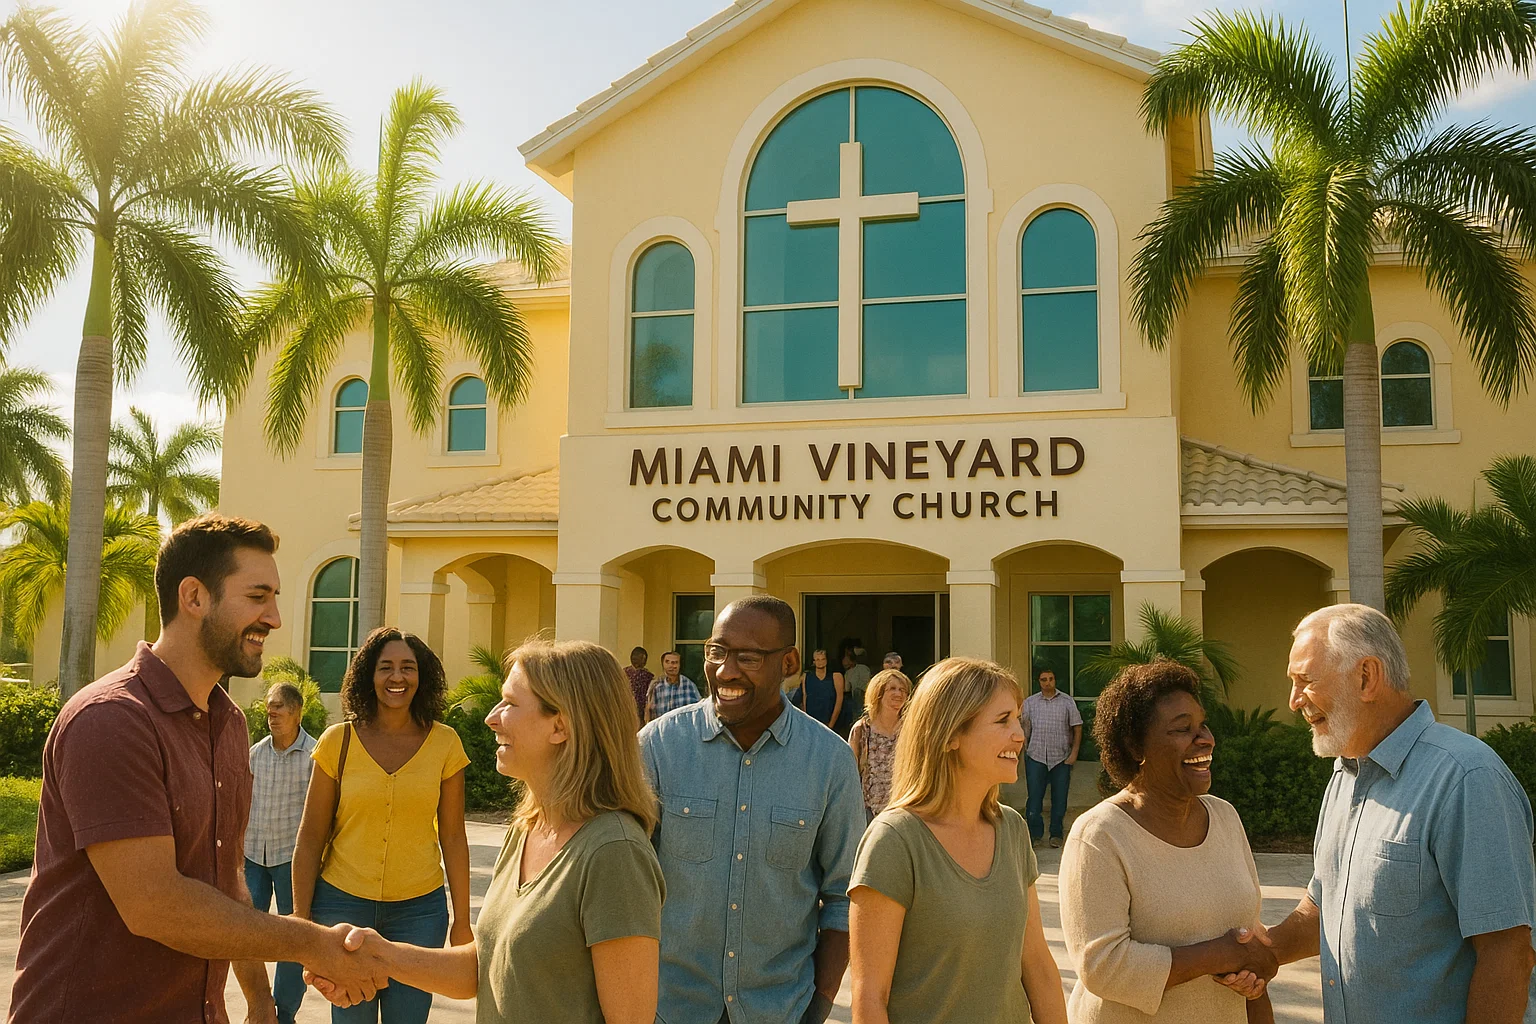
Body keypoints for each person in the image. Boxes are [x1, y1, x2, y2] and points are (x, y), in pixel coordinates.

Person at [9, 514, 389, 1023]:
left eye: (274, 598)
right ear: (194, 597)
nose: (275, 618)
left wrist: (257, 1001)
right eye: (258, 597)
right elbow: (155, 904)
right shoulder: (111, 720)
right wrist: (312, 944)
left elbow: (225, 884)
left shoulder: (228, 725)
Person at [307, 639, 665, 1024]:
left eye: (510, 703)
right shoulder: (526, 828)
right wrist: (379, 954)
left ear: (560, 725)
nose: (491, 718)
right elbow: (487, 969)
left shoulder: (615, 852)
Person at [1218, 604, 1536, 1024]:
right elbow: (1327, 903)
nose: (1294, 702)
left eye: (1306, 681)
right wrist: (1266, 951)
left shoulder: (1466, 777)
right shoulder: (1345, 774)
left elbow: (1507, 952)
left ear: (1367, 676)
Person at [638, 595, 866, 1024]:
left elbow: (842, 897)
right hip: (668, 1009)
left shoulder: (831, 762)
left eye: (748, 657)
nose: (726, 671)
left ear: (789, 662)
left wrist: (816, 1008)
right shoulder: (657, 748)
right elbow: (625, 886)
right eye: (716, 652)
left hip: (781, 1010)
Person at [848, 657, 1068, 1024]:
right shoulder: (894, 841)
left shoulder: (1012, 830)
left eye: (1017, 719)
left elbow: (1038, 965)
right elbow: (870, 999)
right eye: (1002, 721)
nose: (1019, 734)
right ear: (950, 735)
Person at [1059, 659, 1275, 1024]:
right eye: (1182, 729)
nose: (1204, 738)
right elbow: (1102, 966)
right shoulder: (1099, 835)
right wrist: (1217, 954)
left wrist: (1253, 974)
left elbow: (1247, 941)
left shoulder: (1224, 817)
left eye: (1203, 724)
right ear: (1134, 746)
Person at [291, 627, 473, 1024]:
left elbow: (454, 838)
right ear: (367, 676)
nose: (397, 677)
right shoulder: (337, 742)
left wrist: (462, 921)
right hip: (341, 904)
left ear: (421, 676)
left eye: (408, 668)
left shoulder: (446, 744)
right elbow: (310, 837)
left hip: (420, 912)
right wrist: (301, 921)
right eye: (385, 667)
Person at [245, 681, 319, 1024]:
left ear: (297, 712)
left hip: (293, 859)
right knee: (245, 933)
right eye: (269, 708)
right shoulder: (256, 753)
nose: (272, 713)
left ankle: (283, 1012)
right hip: (253, 857)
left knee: (294, 937)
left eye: (279, 708)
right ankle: (257, 1006)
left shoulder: (315, 756)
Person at [1022, 668, 1082, 848]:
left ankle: (1056, 834)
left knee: (1060, 798)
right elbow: (1024, 728)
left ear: (1055, 680)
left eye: (1051, 678)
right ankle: (1035, 835)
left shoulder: (1067, 702)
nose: (1047, 682)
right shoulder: (1030, 703)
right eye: (1043, 679)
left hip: (1061, 758)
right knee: (1034, 799)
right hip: (1036, 756)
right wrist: (1024, 750)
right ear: (1039, 682)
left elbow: (1077, 727)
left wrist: (1074, 754)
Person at [848, 669, 909, 821]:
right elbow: (849, 772)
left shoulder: (910, 729)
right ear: (878, 694)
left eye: (903, 690)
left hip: (903, 809)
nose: (898, 693)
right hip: (868, 812)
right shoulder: (862, 730)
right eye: (892, 689)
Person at [646, 650, 701, 722]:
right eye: (667, 662)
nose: (671, 666)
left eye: (675, 662)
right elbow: (649, 712)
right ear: (662, 664)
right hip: (662, 730)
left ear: (680, 665)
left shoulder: (689, 685)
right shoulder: (656, 686)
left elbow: (699, 710)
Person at [799, 647, 845, 731]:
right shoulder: (806, 677)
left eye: (823, 659)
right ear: (814, 661)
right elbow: (805, 696)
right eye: (817, 659)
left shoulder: (836, 676)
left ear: (827, 660)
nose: (820, 662)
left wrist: (831, 724)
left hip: (829, 720)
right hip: (811, 721)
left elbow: (839, 699)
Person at [624, 646, 653, 725]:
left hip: (642, 712)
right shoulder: (623, 674)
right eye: (635, 657)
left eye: (643, 659)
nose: (639, 661)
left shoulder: (648, 676)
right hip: (625, 709)